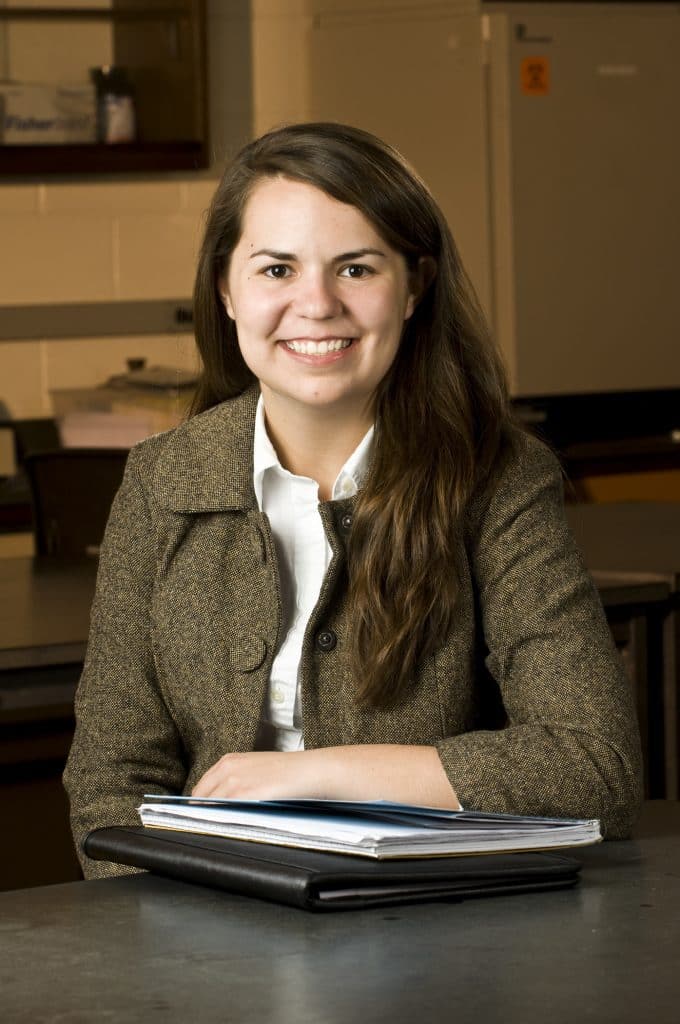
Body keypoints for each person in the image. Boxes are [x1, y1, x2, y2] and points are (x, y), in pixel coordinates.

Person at [64, 122, 642, 878]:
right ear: (225, 291)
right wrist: (170, 943)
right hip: (201, 933)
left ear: (414, 288)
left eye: (357, 269)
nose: (316, 304)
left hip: (429, 933)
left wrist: (314, 773)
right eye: (276, 270)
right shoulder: (159, 479)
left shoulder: (497, 475)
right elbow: (109, 779)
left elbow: (596, 766)